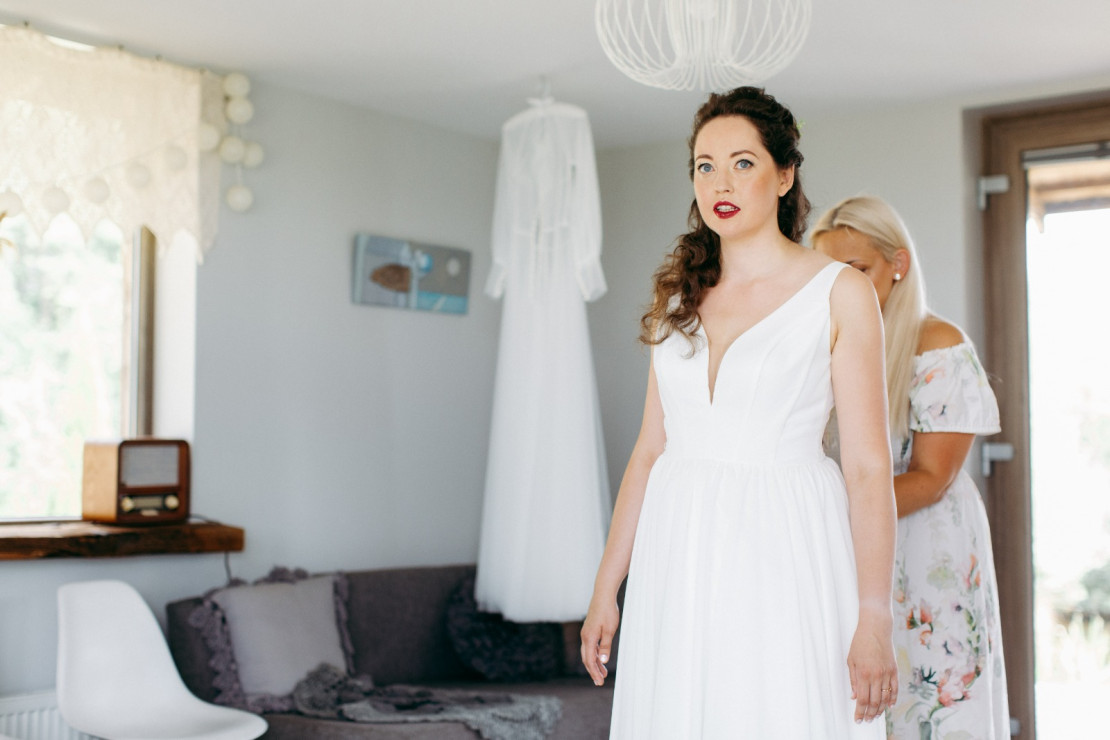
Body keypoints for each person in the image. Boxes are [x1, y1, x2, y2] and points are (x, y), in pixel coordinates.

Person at [580, 87, 898, 739]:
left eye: (742, 163)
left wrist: (875, 614)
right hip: (679, 547)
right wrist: (606, 587)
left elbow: (868, 467)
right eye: (705, 166)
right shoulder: (677, 298)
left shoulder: (840, 292)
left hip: (785, 541)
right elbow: (650, 450)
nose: (719, 183)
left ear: (784, 176)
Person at [811, 196, 1010, 739]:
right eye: (828, 274)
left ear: (897, 264)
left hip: (925, 543)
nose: (841, 287)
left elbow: (932, 477)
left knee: (932, 682)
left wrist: (831, 513)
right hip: (856, 539)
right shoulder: (829, 345)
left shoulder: (938, 346)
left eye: (856, 269)